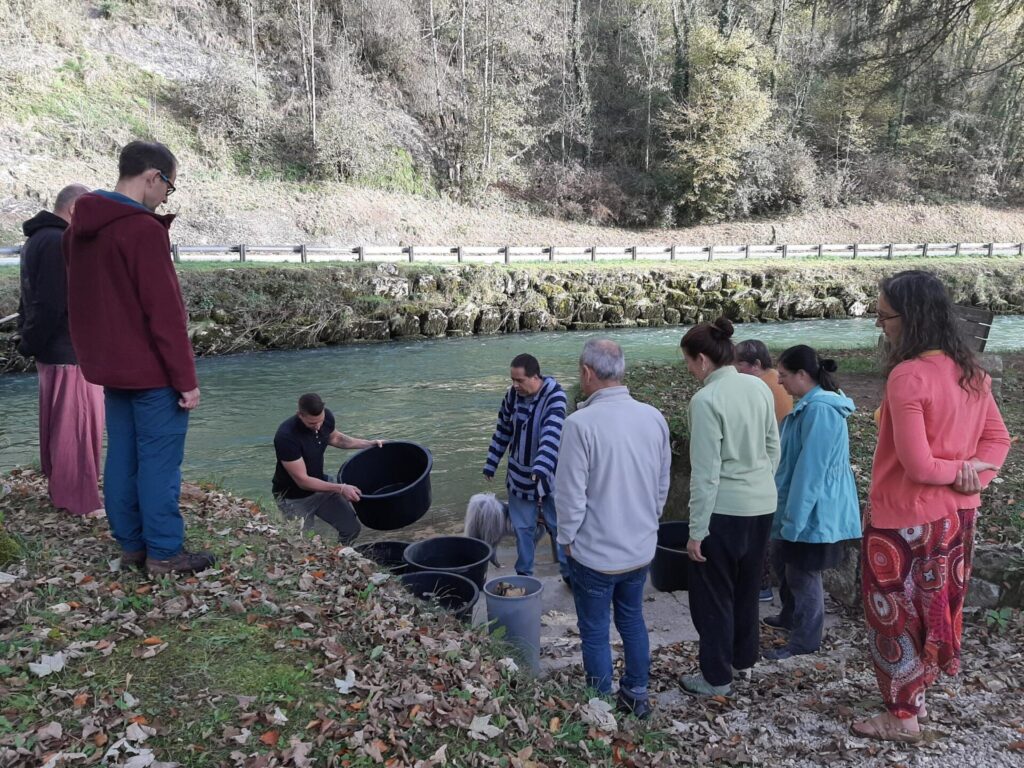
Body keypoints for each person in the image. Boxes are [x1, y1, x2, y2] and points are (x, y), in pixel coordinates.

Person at [852, 270, 1010, 744]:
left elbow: (918, 464)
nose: (881, 326)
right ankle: (914, 703)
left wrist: (958, 469)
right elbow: (998, 443)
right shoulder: (972, 373)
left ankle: (901, 718)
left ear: (912, 317)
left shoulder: (909, 375)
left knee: (895, 618)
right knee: (936, 610)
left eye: (885, 316)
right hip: (957, 517)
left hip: (905, 519)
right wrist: (971, 475)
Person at [64, 140, 212, 575]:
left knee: (123, 458)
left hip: (111, 370)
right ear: (152, 177)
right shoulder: (143, 230)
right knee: (159, 464)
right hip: (152, 372)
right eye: (169, 186)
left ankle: (132, 545)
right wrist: (186, 380)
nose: (167, 196)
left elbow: (82, 302)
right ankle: (165, 551)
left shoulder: (76, 231)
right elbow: (165, 314)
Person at [555, 339, 671, 719]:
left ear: (587, 373)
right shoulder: (652, 416)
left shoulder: (579, 424)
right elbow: (661, 483)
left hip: (595, 553)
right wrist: (649, 523)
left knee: (594, 629)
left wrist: (566, 539)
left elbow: (570, 495)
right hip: (639, 547)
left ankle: (600, 702)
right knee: (632, 619)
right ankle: (637, 694)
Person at [681, 317, 780, 697]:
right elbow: (774, 446)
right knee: (747, 588)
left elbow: (705, 474)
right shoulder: (757, 387)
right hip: (761, 504)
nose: (689, 370)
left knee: (714, 597)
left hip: (723, 511)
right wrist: (758, 480)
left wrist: (695, 532)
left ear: (703, 360)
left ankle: (715, 677)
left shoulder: (706, 400)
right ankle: (744, 662)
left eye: (689, 362)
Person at [762, 345, 861, 660]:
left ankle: (805, 640)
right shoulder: (810, 406)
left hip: (815, 510)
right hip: (804, 505)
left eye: (785, 375)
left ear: (803, 375)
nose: (780, 382)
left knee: (803, 575)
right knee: (787, 565)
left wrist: (795, 518)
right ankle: (790, 617)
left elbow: (811, 471)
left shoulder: (819, 411)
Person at [16, 184, 105, 516]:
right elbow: (52, 302)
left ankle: (63, 489)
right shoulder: (58, 241)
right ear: (74, 210)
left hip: (52, 351)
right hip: (69, 350)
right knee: (78, 427)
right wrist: (33, 341)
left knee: (61, 425)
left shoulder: (36, 240)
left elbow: (30, 299)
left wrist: (30, 342)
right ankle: (78, 500)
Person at [483, 353, 570, 582]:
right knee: (523, 529)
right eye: (512, 380)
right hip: (519, 476)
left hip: (550, 475)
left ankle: (570, 573)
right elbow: (503, 430)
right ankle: (525, 575)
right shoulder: (512, 396)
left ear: (534, 377)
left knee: (558, 526)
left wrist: (541, 467)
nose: (514, 385)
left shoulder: (555, 397)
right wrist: (492, 462)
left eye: (519, 380)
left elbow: (552, 433)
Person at [273, 393, 383, 544]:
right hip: (293, 499)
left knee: (351, 529)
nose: (318, 426)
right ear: (300, 415)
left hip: (321, 487)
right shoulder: (286, 436)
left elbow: (336, 438)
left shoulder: (325, 419)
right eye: (312, 424)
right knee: (302, 544)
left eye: (321, 421)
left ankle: (340, 556)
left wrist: (369, 444)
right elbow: (303, 481)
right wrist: (341, 488)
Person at [735, 339, 793, 602]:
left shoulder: (762, 387)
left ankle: (761, 587)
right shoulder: (772, 380)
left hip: (773, 464)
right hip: (779, 459)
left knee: (761, 530)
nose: (735, 370)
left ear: (756, 365)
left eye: (740, 365)